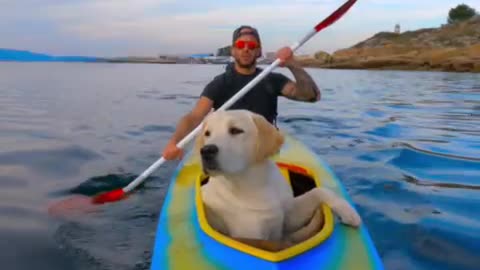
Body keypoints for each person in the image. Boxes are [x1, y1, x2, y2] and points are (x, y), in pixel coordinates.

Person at [162, 25, 321, 160]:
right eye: (240, 45)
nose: (246, 49)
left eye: (252, 46)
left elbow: (311, 96)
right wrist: (174, 141)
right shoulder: (220, 84)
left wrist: (293, 64)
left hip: (263, 151)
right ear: (233, 50)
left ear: (258, 51)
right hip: (228, 151)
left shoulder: (271, 79)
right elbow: (194, 117)